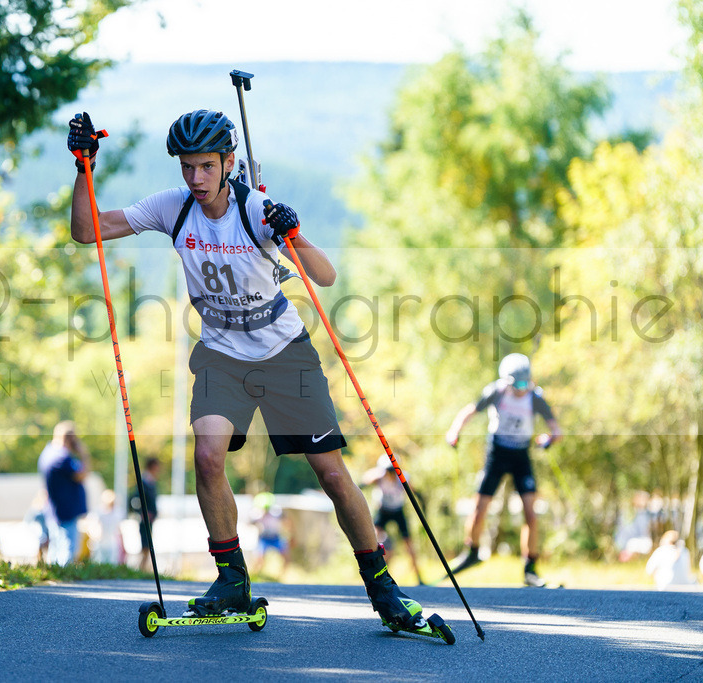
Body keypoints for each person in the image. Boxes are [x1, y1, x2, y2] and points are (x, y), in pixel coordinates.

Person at [68, 109, 433, 631]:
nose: (196, 179)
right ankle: (232, 580)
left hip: (285, 354)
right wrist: (85, 168)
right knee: (208, 457)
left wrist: (296, 234)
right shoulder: (173, 208)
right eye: (188, 167)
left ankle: (382, 586)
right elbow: (88, 231)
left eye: (206, 168)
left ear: (229, 164)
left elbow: (325, 277)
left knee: (330, 473)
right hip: (221, 354)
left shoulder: (256, 209)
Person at [445, 352, 561, 587]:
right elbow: (470, 411)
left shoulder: (535, 398)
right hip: (497, 452)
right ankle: (472, 552)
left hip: (521, 455)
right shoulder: (496, 392)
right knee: (479, 507)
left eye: (526, 383)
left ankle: (530, 567)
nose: (522, 388)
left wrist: (547, 440)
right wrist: (454, 430)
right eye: (517, 384)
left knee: (530, 512)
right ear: (507, 381)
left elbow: (556, 430)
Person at [362, 456, 424, 585]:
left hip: (398, 510)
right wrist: (377, 474)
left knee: (408, 542)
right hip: (382, 510)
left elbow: (413, 491)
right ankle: (376, 572)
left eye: (392, 471)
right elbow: (365, 480)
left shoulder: (402, 477)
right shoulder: (379, 476)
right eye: (388, 471)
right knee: (375, 538)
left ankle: (418, 576)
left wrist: (422, 502)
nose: (390, 474)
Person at [38, 421, 91, 565]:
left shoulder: (47, 453)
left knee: (56, 549)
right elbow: (83, 474)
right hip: (66, 511)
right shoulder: (62, 457)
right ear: (69, 439)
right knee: (68, 551)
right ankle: (63, 584)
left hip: (56, 510)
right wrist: (83, 453)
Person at [128, 457, 161, 572]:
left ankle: (144, 568)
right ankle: (141, 568)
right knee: (145, 544)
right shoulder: (144, 481)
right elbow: (134, 499)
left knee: (148, 543)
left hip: (150, 518)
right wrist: (141, 512)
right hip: (145, 519)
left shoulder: (151, 481)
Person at [250, 492, 289, 578]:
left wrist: (289, 533)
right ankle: (255, 575)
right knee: (259, 559)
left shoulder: (276, 512)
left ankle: (280, 576)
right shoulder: (257, 513)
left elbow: (286, 520)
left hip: (275, 537)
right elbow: (251, 522)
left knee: (286, 556)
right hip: (263, 538)